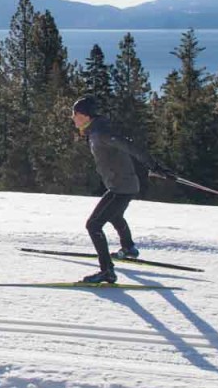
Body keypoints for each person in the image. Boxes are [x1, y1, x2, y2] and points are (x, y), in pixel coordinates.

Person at [70, 95, 174, 284]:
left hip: (121, 187)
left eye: (75, 113)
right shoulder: (95, 131)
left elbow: (130, 146)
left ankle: (107, 271)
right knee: (114, 215)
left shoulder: (101, 133)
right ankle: (128, 248)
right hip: (123, 185)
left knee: (93, 225)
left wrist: (155, 166)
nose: (73, 117)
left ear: (85, 115)